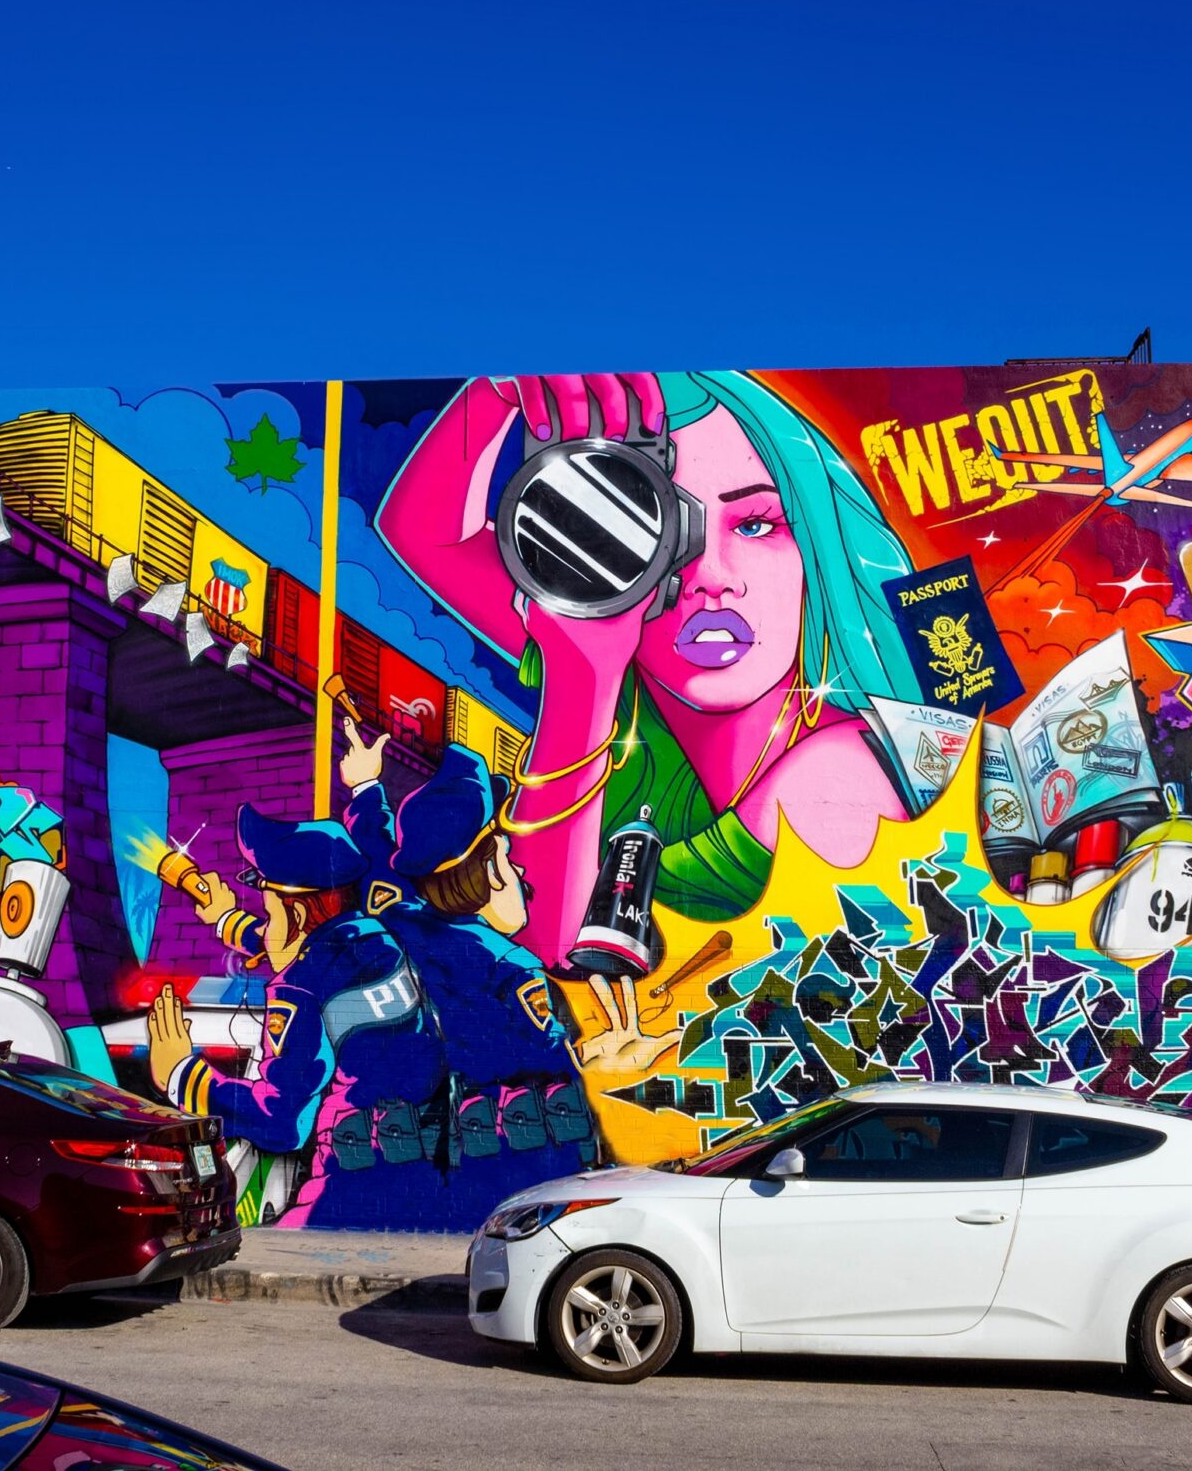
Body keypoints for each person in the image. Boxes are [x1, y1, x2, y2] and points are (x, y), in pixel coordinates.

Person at [376, 371, 919, 1039]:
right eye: (660, 527)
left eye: (755, 523)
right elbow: (424, 533)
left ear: (814, 550)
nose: (711, 578)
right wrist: (495, 392)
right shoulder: (624, 659)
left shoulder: (835, 778)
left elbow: (568, 972)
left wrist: (582, 686)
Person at [143, 804, 450, 1227]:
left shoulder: (298, 990)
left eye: (271, 912)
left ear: (299, 914)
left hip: (349, 1182)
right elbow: (307, 949)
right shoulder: (376, 942)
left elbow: (281, 1120)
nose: (267, 925)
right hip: (419, 1165)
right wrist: (228, 919)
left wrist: (180, 1073)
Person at [339, 730, 593, 1219]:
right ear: (493, 873)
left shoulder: (398, 918)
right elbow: (554, 1068)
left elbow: (378, 860)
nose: (520, 876)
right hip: (500, 1165)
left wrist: (366, 787)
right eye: (507, 858)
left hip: (404, 1157)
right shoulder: (510, 968)